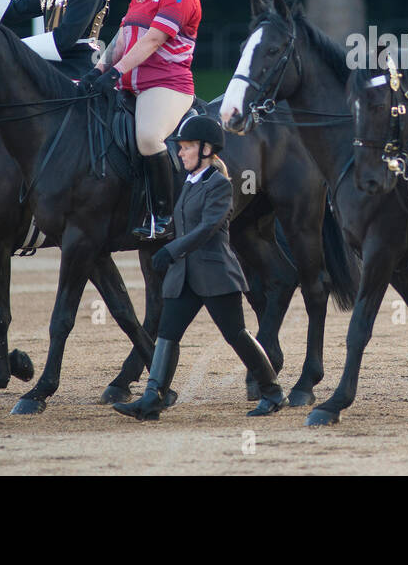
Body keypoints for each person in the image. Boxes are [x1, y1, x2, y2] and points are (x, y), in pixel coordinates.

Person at [112, 115, 287, 420]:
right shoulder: (190, 184)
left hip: (216, 274)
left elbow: (208, 228)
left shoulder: (219, 185)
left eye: (186, 147)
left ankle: (272, 392)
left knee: (237, 334)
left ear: (206, 150)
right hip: (185, 277)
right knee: (167, 334)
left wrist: (171, 249)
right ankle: (153, 398)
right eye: (179, 148)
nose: (179, 153)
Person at [84, 0, 201, 239]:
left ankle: (163, 217)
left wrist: (115, 73)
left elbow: (151, 41)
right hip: (129, 85)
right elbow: (122, 38)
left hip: (166, 85)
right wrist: (97, 72)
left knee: (148, 137)